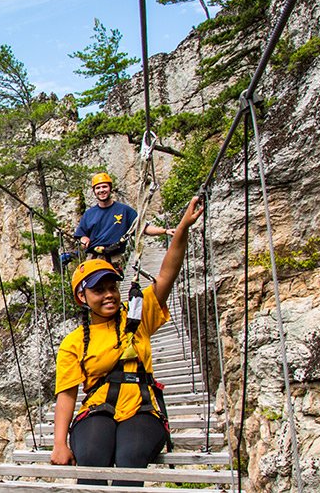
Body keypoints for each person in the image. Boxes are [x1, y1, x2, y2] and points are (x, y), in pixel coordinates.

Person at [49, 196, 204, 486]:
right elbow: (67, 394)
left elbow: (168, 273)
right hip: (98, 408)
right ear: (82, 297)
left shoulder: (137, 313)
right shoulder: (73, 342)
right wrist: (59, 442)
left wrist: (182, 229)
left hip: (143, 408)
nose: (108, 294)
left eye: (112, 287)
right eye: (99, 290)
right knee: (93, 460)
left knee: (130, 459)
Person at [74, 173, 172, 269]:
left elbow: (143, 228)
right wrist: (84, 239)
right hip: (93, 257)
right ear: (94, 191)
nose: (101, 190)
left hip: (114, 258)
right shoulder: (89, 214)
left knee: (110, 284)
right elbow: (82, 235)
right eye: (98, 188)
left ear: (110, 188)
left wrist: (165, 231)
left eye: (104, 187)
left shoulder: (124, 211)